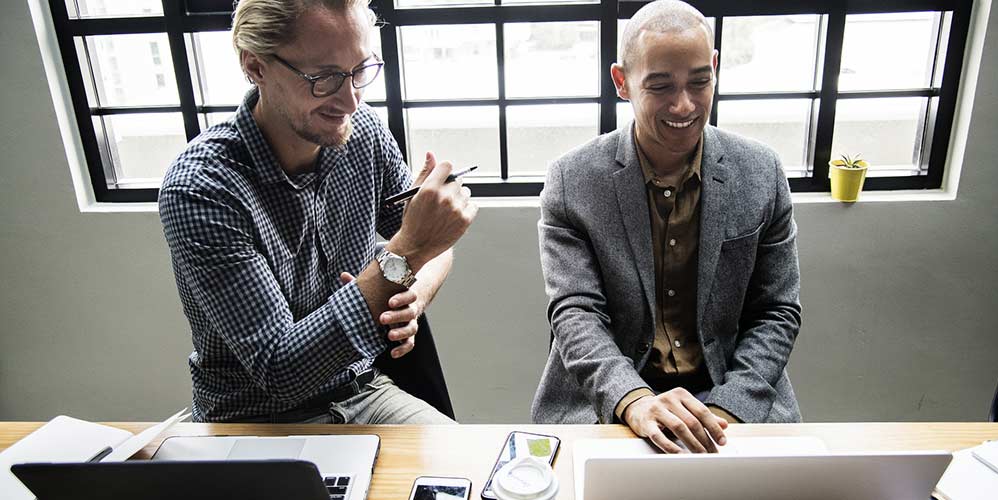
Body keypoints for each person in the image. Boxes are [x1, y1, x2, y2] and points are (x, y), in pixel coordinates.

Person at [158, 0, 476, 424]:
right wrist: (409, 249)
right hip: (254, 418)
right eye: (323, 78)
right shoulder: (202, 189)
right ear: (256, 67)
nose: (349, 100)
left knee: (468, 474)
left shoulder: (363, 132)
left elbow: (430, 245)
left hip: (364, 389)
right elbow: (281, 371)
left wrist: (413, 297)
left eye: (361, 70)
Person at [531, 0, 802, 453]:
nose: (685, 105)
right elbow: (575, 313)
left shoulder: (762, 171)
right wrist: (633, 399)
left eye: (700, 81)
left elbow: (777, 311)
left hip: (730, 394)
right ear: (622, 82)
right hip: (614, 398)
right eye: (660, 86)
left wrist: (722, 413)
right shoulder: (571, 180)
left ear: (715, 67)